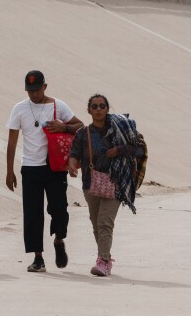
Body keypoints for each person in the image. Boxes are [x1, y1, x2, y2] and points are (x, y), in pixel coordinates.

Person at [6, 70, 84, 273]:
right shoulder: (20, 108)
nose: (33, 94)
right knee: (32, 213)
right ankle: (37, 257)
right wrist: (9, 171)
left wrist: (64, 127)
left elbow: (81, 126)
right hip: (30, 167)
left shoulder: (58, 105)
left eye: (37, 89)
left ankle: (59, 240)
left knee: (59, 208)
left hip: (54, 167)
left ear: (45, 87)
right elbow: (12, 142)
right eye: (29, 90)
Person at [66, 94, 143, 277]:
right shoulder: (83, 133)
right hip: (90, 184)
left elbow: (138, 149)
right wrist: (71, 165)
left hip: (115, 182)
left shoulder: (119, 129)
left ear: (107, 108)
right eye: (95, 106)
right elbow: (74, 152)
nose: (98, 109)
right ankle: (105, 259)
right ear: (89, 110)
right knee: (96, 224)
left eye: (102, 106)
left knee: (104, 223)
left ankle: (103, 261)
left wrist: (119, 150)